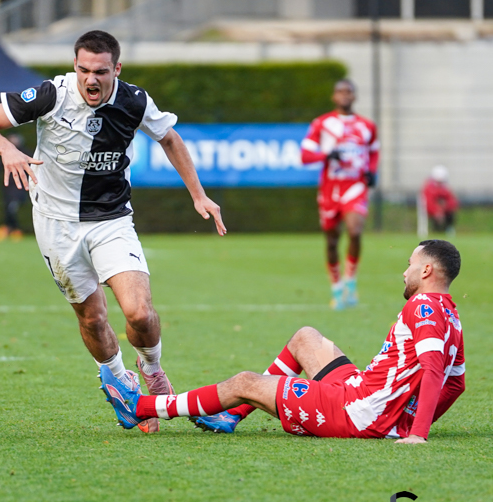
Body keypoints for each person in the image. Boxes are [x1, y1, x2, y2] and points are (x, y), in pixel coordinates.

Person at [0, 30, 226, 433]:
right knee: (92, 318)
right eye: (84, 69)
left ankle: (153, 370)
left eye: (101, 72)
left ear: (116, 70)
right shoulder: (52, 95)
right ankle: (120, 381)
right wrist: (8, 149)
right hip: (56, 223)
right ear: (75, 67)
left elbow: (170, 138)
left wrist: (199, 196)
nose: (91, 79)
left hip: (111, 219)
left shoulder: (134, 101)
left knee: (139, 313)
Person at [101, 240, 464, 444]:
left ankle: (142, 407)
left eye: (410, 264)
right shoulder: (450, 314)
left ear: (427, 271)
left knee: (244, 382)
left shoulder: (423, 307)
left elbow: (434, 370)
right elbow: (456, 383)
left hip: (357, 411)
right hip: (361, 393)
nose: (405, 271)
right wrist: (404, 418)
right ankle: (231, 415)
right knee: (305, 337)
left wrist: (415, 432)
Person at [301, 79, 379, 310]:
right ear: (334, 97)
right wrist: (326, 155)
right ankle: (336, 287)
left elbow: (374, 152)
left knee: (355, 231)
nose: (345, 95)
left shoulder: (367, 125)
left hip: (355, 187)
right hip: (330, 189)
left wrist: (372, 172)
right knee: (332, 240)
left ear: (354, 96)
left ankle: (351, 281)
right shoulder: (322, 124)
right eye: (340, 92)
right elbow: (305, 156)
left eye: (349, 92)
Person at [0, 132, 30, 241]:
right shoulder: (6, 155)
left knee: (12, 209)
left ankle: (15, 229)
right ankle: (10, 229)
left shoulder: (25, 154)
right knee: (8, 208)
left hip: (19, 188)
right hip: (8, 188)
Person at [423, 165, 458, 235]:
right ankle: (437, 231)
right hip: (433, 212)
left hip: (444, 211)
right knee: (436, 220)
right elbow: (429, 203)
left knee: (451, 214)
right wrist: (437, 211)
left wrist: (444, 208)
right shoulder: (429, 188)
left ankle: (448, 229)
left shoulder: (446, 188)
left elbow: (452, 202)